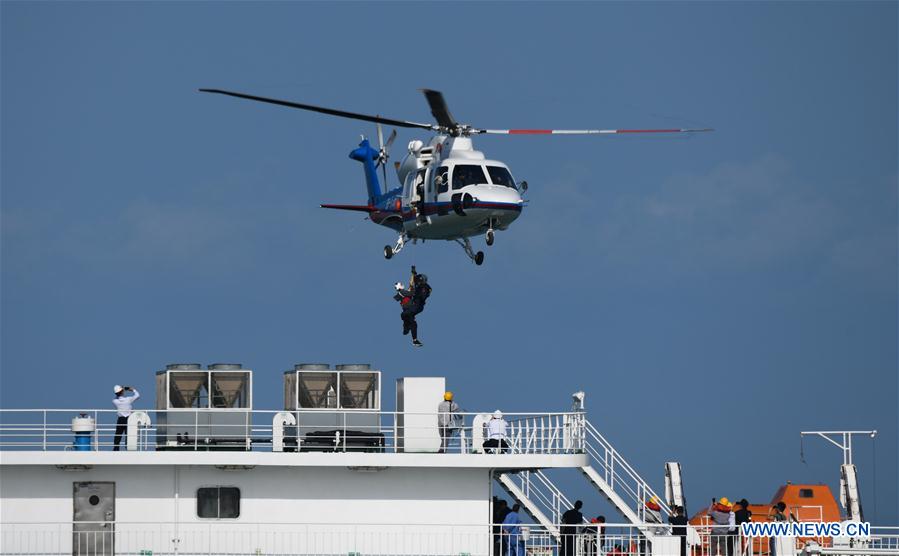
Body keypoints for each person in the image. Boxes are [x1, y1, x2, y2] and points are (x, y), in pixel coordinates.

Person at [393, 266, 432, 347]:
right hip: (414, 306)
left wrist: (413, 274)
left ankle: (407, 328)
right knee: (408, 318)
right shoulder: (407, 291)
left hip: (416, 305)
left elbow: (412, 285)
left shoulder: (422, 288)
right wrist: (413, 273)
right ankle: (413, 337)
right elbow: (411, 285)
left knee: (405, 315)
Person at [112, 385, 140, 451]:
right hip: (128, 419)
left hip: (120, 419)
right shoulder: (128, 399)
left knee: (118, 434)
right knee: (128, 435)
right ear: (122, 392)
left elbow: (116, 397)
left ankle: (116, 449)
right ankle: (128, 448)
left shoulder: (114, 401)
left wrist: (120, 391)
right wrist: (132, 389)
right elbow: (137, 395)